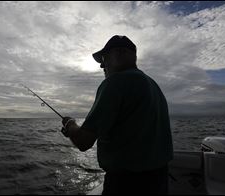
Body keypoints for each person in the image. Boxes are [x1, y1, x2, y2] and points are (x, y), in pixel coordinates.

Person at [61, 35, 173, 195]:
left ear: (119, 53)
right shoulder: (152, 85)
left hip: (127, 184)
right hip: (159, 179)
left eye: (104, 59)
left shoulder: (115, 82)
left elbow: (84, 141)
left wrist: (70, 124)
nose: (102, 66)